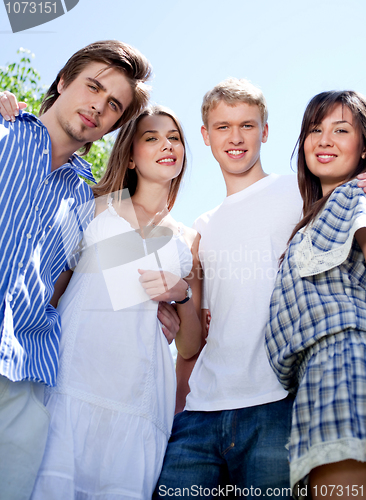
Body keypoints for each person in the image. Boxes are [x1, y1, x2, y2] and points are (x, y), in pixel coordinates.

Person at [0, 40, 152, 500]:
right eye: (92, 87)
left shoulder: (88, 203)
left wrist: (169, 304)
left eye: (113, 106)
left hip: (21, 378)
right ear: (63, 81)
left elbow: (71, 286)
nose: (97, 107)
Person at [25, 104, 202, 499]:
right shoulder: (91, 205)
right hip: (73, 378)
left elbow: (190, 345)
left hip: (141, 396)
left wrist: (182, 294)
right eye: (152, 138)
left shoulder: (189, 239)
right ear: (132, 155)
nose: (166, 145)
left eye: (174, 138)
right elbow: (52, 286)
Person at [154, 78, 303, 498]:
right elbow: (190, 344)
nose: (235, 138)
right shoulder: (202, 227)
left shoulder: (298, 190)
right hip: (200, 414)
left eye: (247, 126)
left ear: (265, 132)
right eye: (222, 127)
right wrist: (180, 297)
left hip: (276, 405)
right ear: (205, 135)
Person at [265, 91, 366, 498]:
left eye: (341, 130)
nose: (324, 140)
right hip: (313, 377)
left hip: (344, 359)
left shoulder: (354, 194)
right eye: (314, 129)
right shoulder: (314, 215)